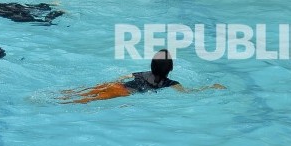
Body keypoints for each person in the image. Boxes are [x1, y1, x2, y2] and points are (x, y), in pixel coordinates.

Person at [59, 49, 224, 104]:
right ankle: (61, 102)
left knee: (81, 93)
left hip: (116, 85)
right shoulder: (170, 83)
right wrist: (211, 87)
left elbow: (123, 76)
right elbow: (188, 93)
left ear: (152, 65)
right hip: (122, 92)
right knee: (84, 101)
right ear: (170, 69)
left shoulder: (142, 73)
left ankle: (64, 95)